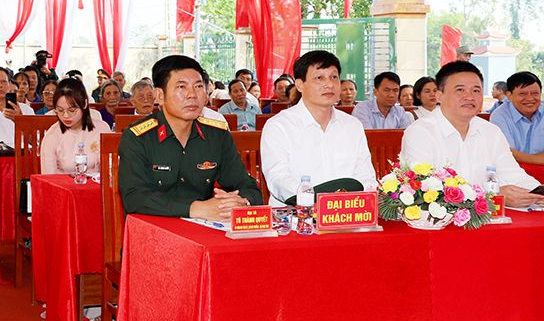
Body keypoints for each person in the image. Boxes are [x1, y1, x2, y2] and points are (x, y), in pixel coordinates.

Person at [118, 55, 260, 219]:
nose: (192, 95)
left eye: (199, 86)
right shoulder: (137, 137)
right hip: (156, 233)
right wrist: (197, 209)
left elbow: (246, 185)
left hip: (204, 233)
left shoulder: (217, 135)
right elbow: (134, 198)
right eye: (181, 87)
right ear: (159, 96)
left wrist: (241, 202)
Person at [402, 62, 543, 208]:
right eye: (460, 90)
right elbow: (423, 190)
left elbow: (513, 174)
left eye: (476, 91)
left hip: (488, 221)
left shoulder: (491, 131)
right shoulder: (420, 132)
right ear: (439, 96)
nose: (469, 97)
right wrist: (494, 195)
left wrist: (537, 193)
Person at [261, 51, 377, 206]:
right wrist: (311, 200)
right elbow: (278, 178)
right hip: (296, 217)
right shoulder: (279, 126)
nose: (329, 84)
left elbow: (365, 175)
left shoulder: (352, 125)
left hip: (346, 216)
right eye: (319, 78)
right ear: (300, 85)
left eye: (334, 77)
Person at [40, 78, 112, 174]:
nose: (66, 116)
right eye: (60, 110)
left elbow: (111, 169)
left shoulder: (102, 129)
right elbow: (47, 179)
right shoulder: (52, 136)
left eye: (72, 110)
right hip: (63, 187)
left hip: (97, 186)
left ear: (85, 104)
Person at [490, 72, 544, 166]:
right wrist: (539, 159)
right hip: (511, 172)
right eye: (523, 94)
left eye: (535, 93)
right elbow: (508, 153)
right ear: (509, 95)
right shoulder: (499, 116)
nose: (530, 98)